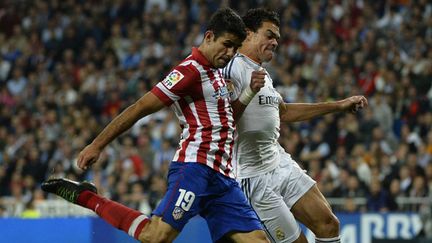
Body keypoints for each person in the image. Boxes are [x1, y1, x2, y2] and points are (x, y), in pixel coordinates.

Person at [42, 8, 269, 243]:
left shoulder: (217, 73)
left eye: (234, 48)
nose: (230, 52)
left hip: (224, 177)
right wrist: (97, 144)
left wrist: (249, 92)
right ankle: (88, 197)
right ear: (209, 36)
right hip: (195, 168)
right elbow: (140, 107)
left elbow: (227, 119)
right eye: (227, 44)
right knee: (156, 236)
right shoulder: (188, 72)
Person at [222, 8, 368, 243]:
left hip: (278, 161)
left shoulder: (262, 73)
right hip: (251, 176)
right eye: (269, 35)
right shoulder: (231, 69)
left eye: (277, 38)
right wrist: (248, 92)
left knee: (329, 224)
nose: (275, 42)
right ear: (248, 34)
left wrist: (339, 105)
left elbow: (285, 112)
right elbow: (222, 121)